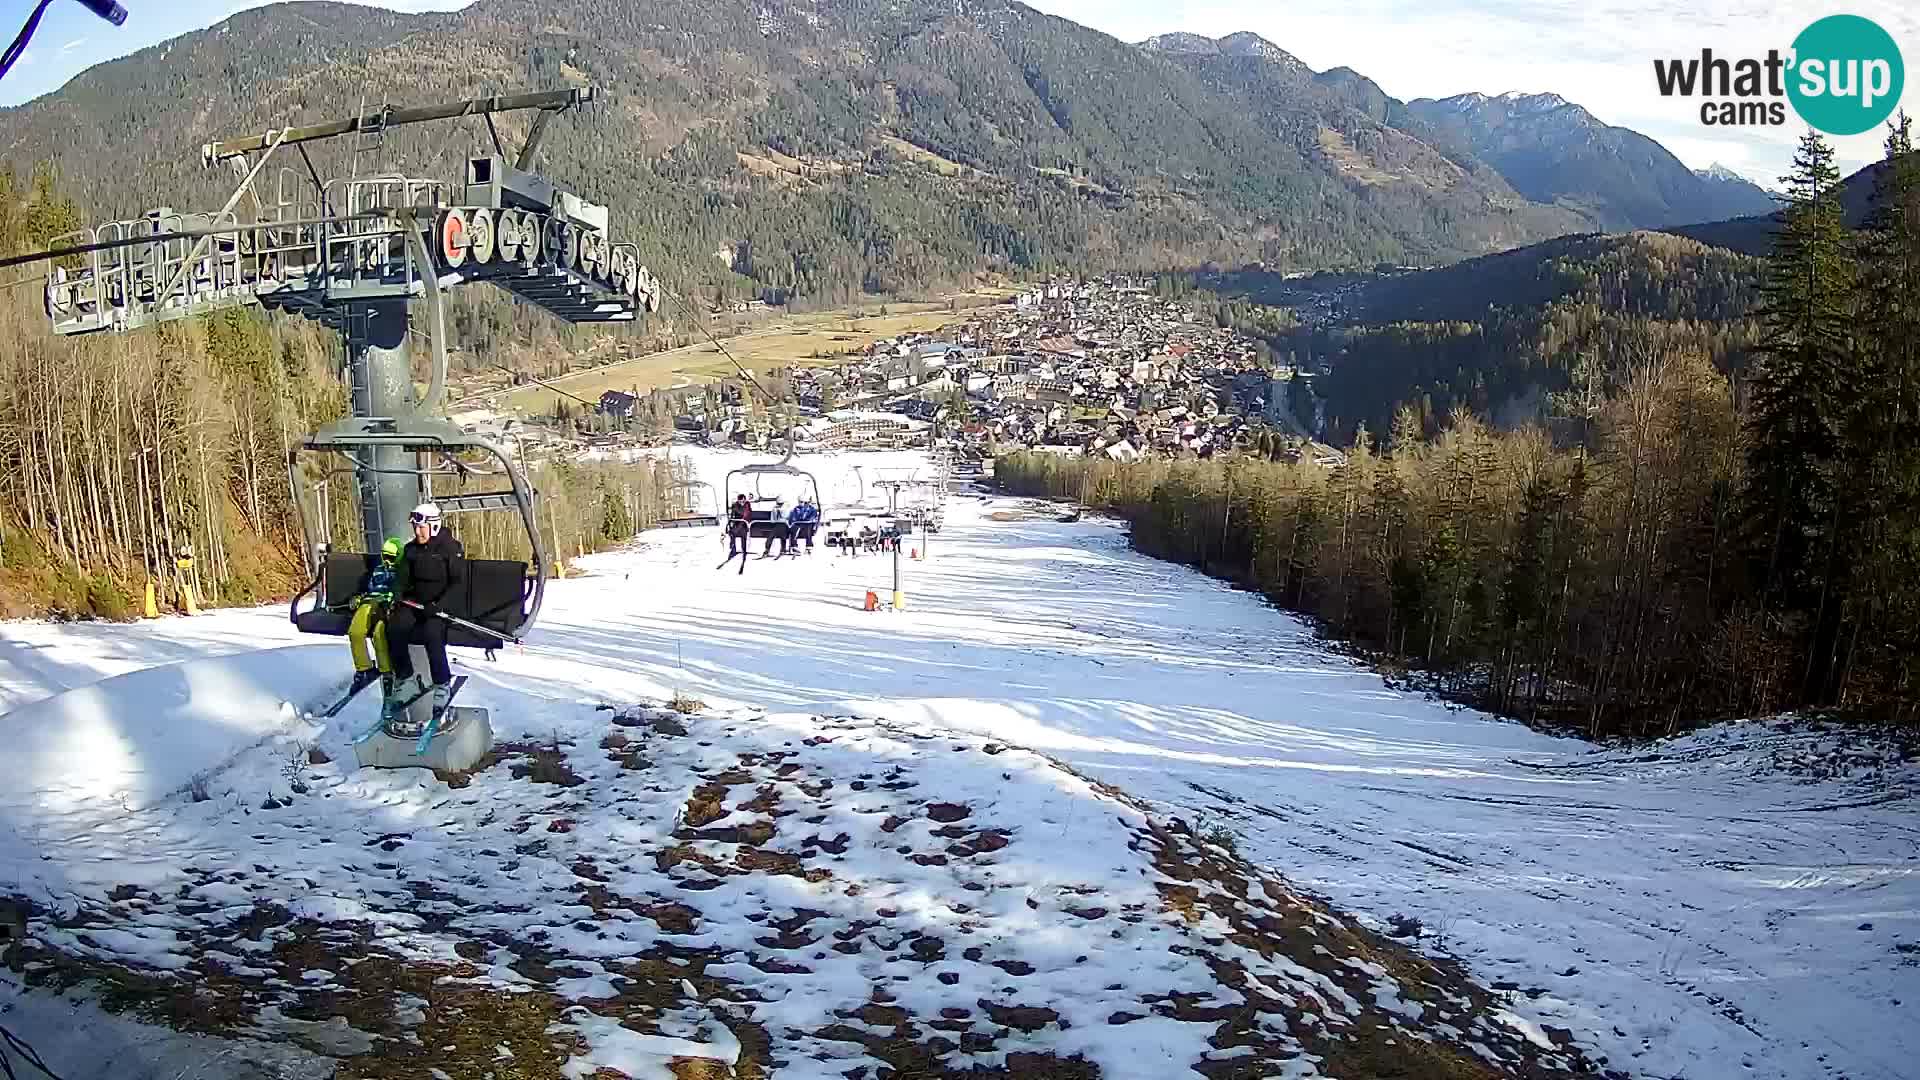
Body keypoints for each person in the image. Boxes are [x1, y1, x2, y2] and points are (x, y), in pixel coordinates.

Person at [383, 502, 465, 717]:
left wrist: (439, 605)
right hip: (414, 603)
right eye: (415, 528)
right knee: (394, 628)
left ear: (434, 526)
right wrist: (399, 591)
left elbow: (458, 582)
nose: (418, 532)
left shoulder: (450, 548)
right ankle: (406, 678)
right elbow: (403, 577)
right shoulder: (411, 550)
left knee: (432, 633)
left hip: (438, 607)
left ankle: (442, 683)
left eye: (422, 527)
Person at [345, 536, 404, 696]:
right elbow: (369, 587)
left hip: (386, 605)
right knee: (356, 631)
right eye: (385, 557)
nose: (388, 561)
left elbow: (403, 590)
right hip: (370, 601)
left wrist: (392, 600)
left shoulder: (402, 571)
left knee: (379, 634)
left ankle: (387, 672)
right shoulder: (378, 569)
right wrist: (360, 596)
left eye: (392, 558)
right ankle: (364, 669)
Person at [727, 493, 753, 559]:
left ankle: (743, 549)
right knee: (732, 532)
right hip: (737, 523)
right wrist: (732, 522)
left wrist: (743, 507)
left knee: (742, 533)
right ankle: (733, 549)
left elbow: (747, 514)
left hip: (745, 523)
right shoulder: (735, 505)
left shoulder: (747, 504)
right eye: (740, 501)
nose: (742, 502)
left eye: (743, 500)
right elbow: (733, 514)